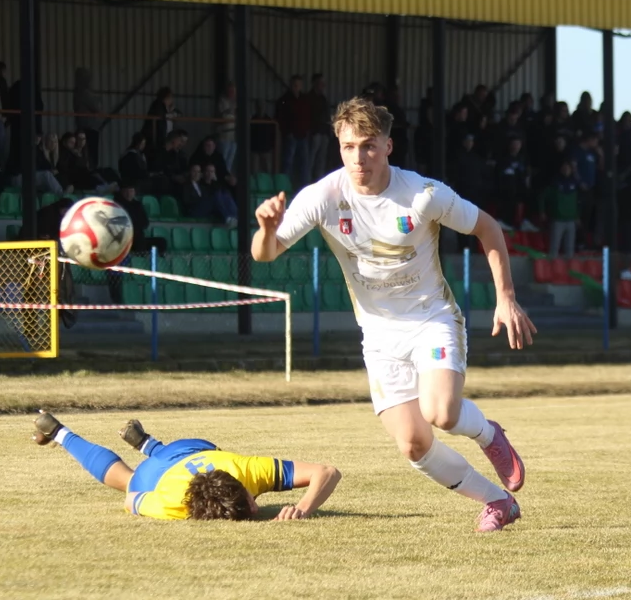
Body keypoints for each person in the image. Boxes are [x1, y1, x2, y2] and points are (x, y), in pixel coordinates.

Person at [251, 97, 536, 532]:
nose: (357, 157)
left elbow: (488, 228)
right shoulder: (324, 197)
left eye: (367, 146)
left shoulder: (422, 195)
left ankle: (488, 435)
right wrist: (267, 230)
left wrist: (505, 297)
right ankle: (497, 502)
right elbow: (265, 255)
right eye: (348, 147)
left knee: (440, 411)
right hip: (379, 334)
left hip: (431, 317)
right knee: (413, 443)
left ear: (388, 146)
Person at [31, 411, 342, 521]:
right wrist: (140, 498)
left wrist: (304, 507)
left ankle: (147, 446)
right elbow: (131, 500)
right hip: (163, 468)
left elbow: (328, 472)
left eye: (249, 504)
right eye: (251, 505)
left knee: (164, 460)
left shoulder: (246, 470)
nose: (257, 508)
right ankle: (60, 433)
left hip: (188, 450)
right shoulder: (174, 504)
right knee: (126, 481)